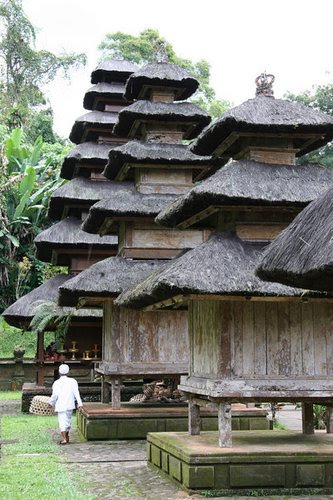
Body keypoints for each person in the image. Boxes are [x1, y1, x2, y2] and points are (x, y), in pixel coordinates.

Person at [49, 364, 83, 444]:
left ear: (59, 373)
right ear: (68, 372)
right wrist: (80, 404)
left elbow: (55, 395)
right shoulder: (73, 381)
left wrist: (51, 403)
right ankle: (66, 437)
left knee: (62, 422)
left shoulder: (56, 383)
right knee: (67, 421)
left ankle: (64, 438)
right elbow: (76, 393)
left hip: (61, 404)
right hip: (69, 404)